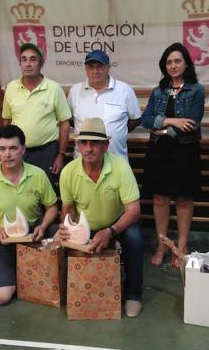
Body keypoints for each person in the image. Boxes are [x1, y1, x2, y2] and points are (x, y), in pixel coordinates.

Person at [58, 117, 143, 318]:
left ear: (106, 146)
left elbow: (134, 210)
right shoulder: (68, 172)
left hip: (117, 223)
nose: (89, 148)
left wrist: (111, 231)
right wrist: (66, 228)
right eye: (84, 143)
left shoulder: (120, 167)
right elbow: (67, 209)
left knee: (135, 240)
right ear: (77, 146)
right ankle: (72, 290)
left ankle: (133, 294)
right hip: (85, 225)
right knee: (60, 241)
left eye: (95, 143)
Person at [0, 125, 59, 305]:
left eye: (13, 148)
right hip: (0, 238)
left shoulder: (38, 174)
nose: (7, 154)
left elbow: (52, 207)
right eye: (2, 149)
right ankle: (8, 272)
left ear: (23, 150)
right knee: (2, 297)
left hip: (33, 235)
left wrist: (43, 226)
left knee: (60, 231)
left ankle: (24, 272)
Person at [141, 43, 204, 268]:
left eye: (177, 61)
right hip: (159, 151)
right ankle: (162, 245)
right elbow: (146, 119)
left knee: (184, 199)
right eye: (169, 62)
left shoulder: (196, 90)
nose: (173, 65)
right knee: (160, 199)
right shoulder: (159, 91)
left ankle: (182, 246)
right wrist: (171, 120)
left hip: (185, 150)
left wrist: (163, 128)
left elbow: (192, 123)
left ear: (186, 63)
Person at [2, 42, 71, 180]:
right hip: (18, 151)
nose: (28, 64)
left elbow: (64, 123)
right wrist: (5, 152)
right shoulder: (11, 87)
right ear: (20, 63)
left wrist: (61, 154)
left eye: (33, 59)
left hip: (46, 151)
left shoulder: (54, 88)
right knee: (19, 191)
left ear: (41, 63)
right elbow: (7, 122)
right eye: (24, 59)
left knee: (45, 195)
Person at [67, 50, 141, 161]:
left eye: (100, 66)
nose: (95, 71)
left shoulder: (124, 89)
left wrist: (119, 131)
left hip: (117, 161)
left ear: (108, 67)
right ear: (86, 69)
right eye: (91, 67)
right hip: (82, 161)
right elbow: (69, 119)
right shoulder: (75, 90)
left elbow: (135, 120)